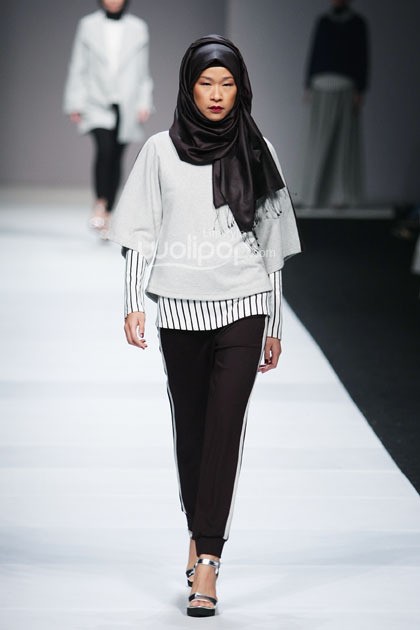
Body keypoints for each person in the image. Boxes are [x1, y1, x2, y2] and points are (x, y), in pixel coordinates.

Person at [109, 35, 301, 617]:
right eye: (206, 82)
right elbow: (140, 231)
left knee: (224, 428)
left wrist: (274, 323)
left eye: (227, 83)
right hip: (180, 308)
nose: (217, 94)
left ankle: (209, 560)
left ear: (241, 88)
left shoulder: (259, 149)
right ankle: (198, 530)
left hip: (243, 303)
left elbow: (271, 244)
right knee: (192, 432)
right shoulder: (159, 152)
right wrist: (133, 302)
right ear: (189, 87)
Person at [63, 0, 153, 238]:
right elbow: (78, 64)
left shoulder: (138, 27)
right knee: (104, 150)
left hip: (127, 100)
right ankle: (101, 204)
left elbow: (142, 70)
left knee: (116, 156)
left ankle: (110, 213)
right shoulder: (88, 25)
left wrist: (144, 101)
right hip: (96, 99)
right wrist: (75, 101)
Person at [301, 0, 369, 208]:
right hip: (321, 85)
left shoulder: (357, 23)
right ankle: (314, 196)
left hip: (345, 86)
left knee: (344, 144)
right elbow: (315, 52)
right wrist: (308, 84)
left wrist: (360, 88)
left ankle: (342, 196)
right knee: (318, 142)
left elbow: (362, 55)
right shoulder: (324, 22)